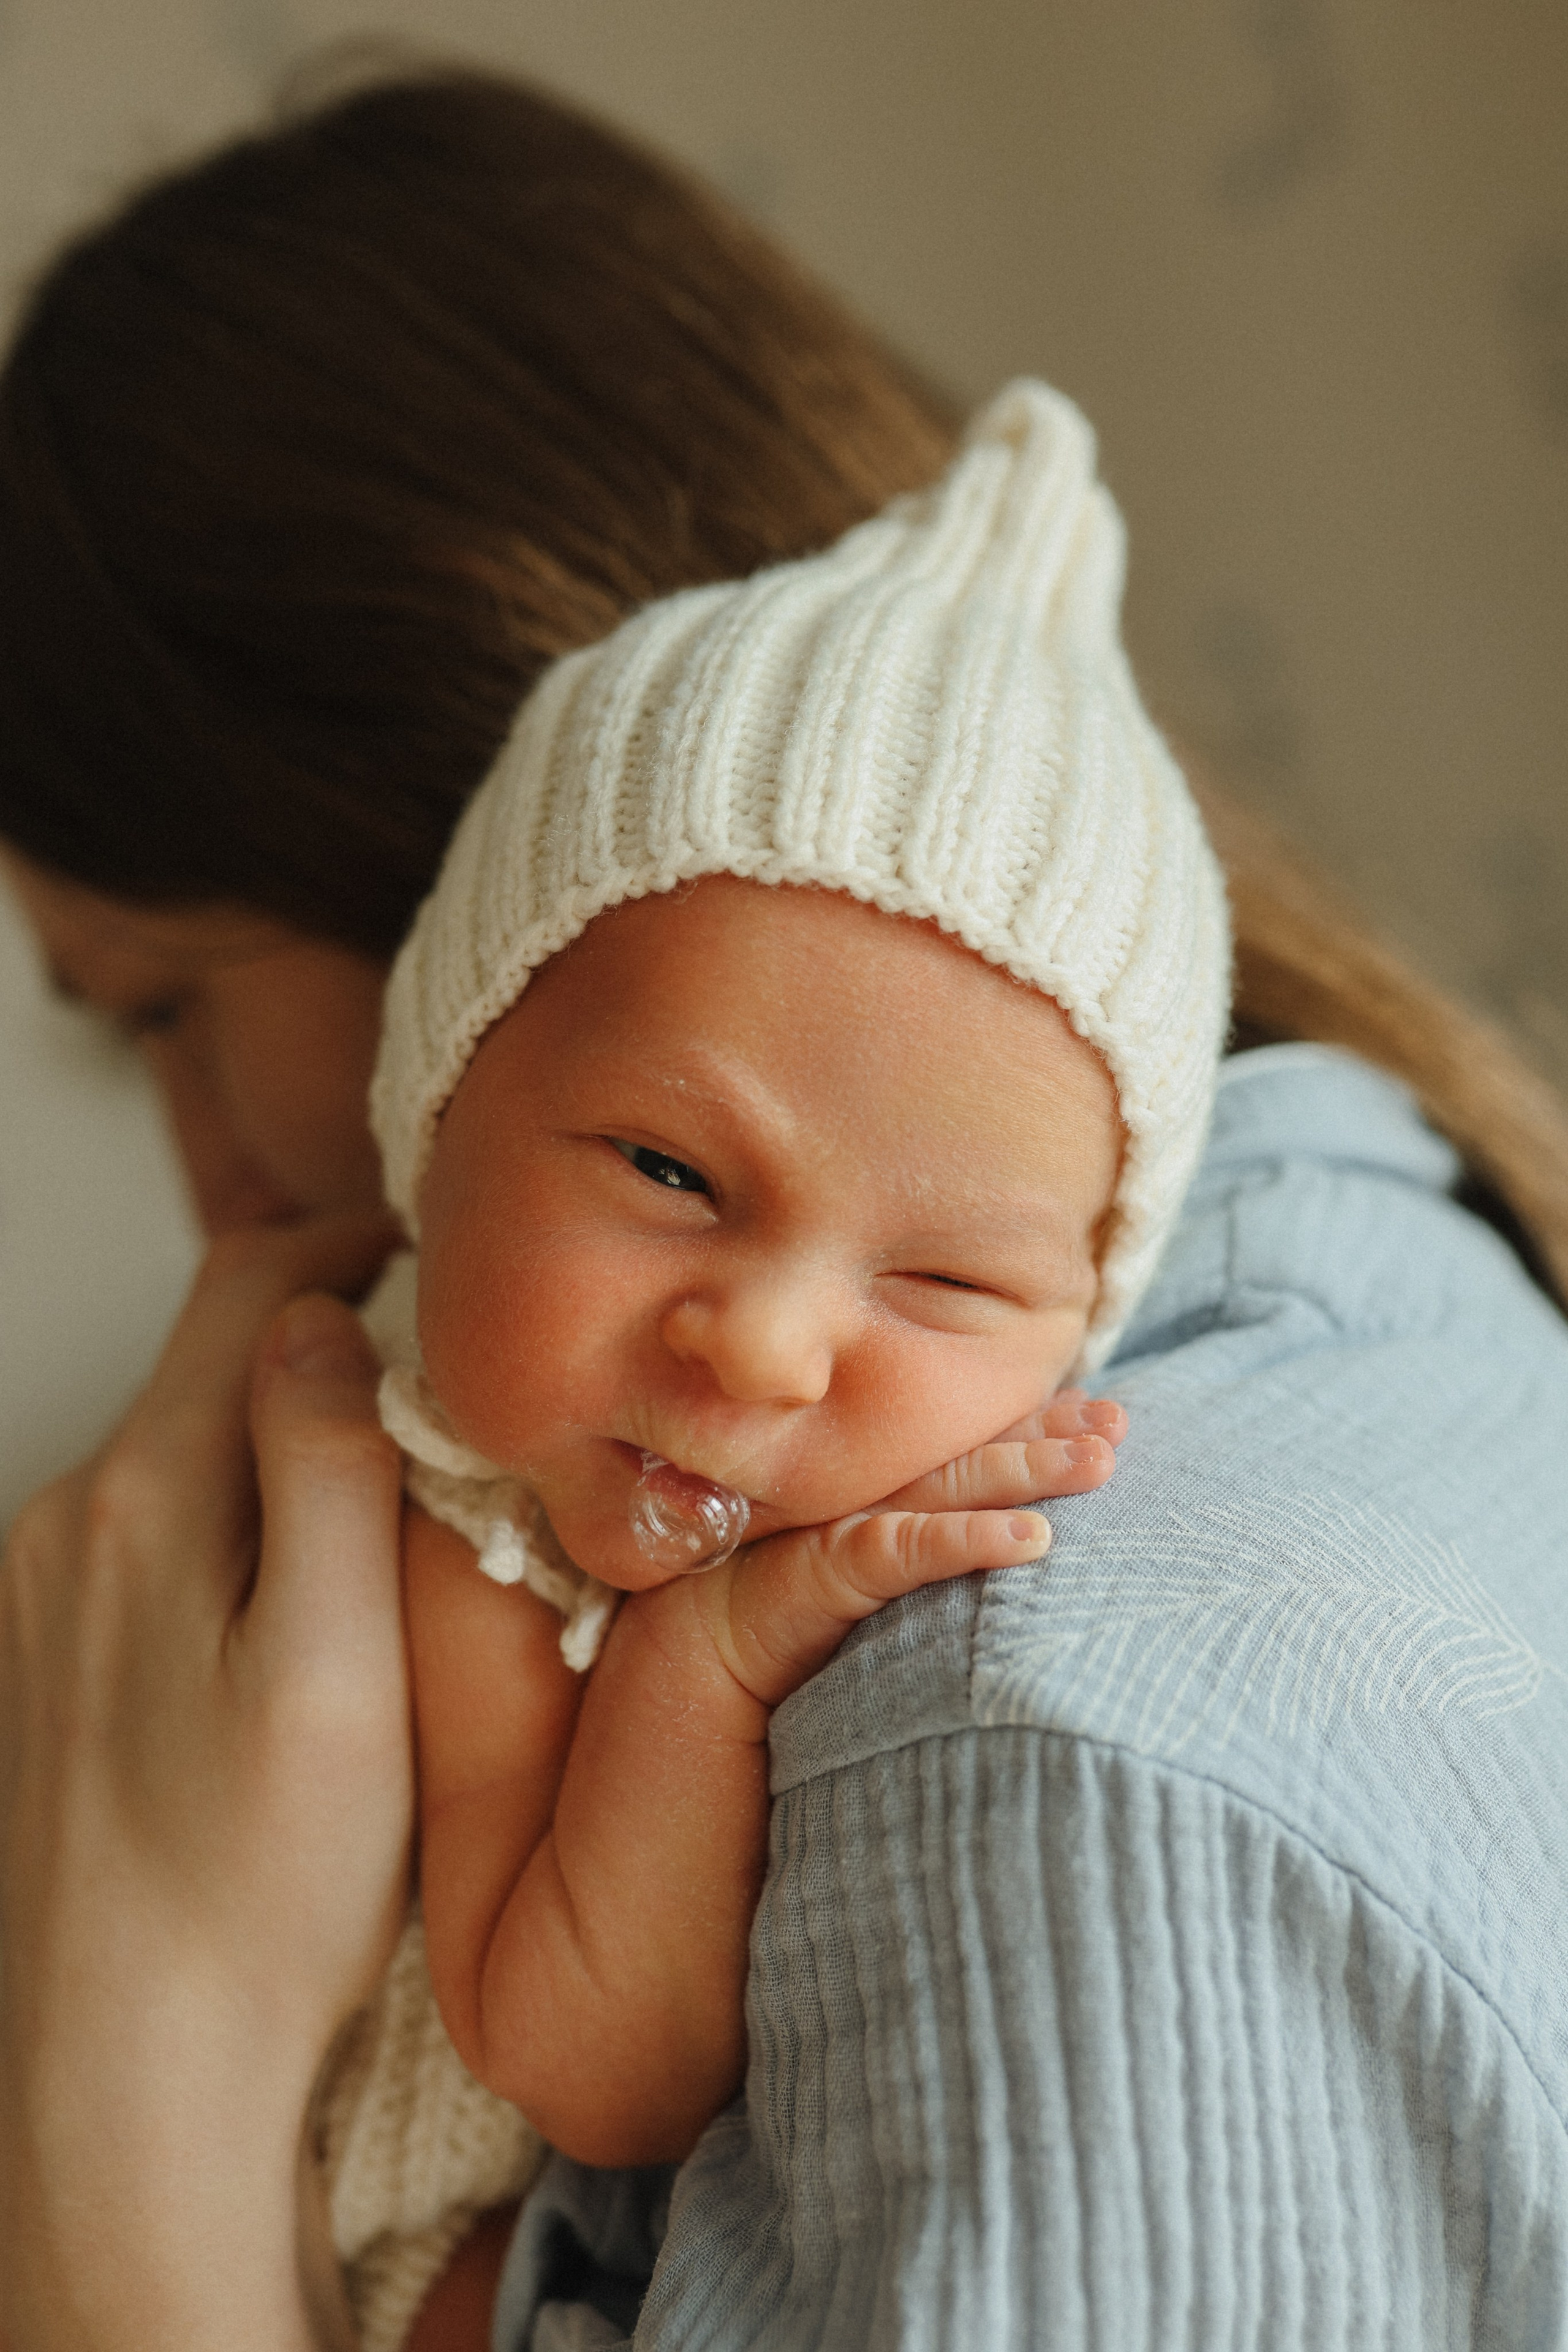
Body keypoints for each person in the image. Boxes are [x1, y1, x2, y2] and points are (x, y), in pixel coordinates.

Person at [2, 64, 1567, 2352]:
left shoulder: (1025, 1750)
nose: (209, 1176)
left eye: (167, 1005)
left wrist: (126, 2095)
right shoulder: (1398, 1297)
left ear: (475, 884)